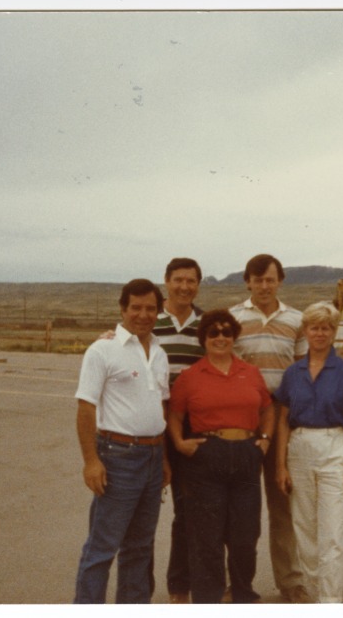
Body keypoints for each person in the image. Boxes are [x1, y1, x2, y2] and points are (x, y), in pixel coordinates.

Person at [73, 278, 171, 603]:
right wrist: (91, 461)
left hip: (153, 458)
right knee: (103, 547)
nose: (143, 315)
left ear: (159, 311)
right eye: (136, 307)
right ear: (123, 309)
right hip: (118, 458)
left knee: (140, 548)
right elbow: (86, 406)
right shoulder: (103, 349)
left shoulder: (159, 353)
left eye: (151, 308)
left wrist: (165, 459)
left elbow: (161, 408)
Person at [167, 309, 275, 603]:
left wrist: (264, 440)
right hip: (206, 458)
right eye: (213, 332)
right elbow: (175, 415)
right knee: (207, 537)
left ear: (234, 336)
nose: (220, 337)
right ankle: (208, 599)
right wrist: (179, 443)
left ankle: (242, 595)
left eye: (227, 332)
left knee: (245, 535)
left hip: (246, 455)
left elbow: (268, 409)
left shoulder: (250, 372)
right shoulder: (190, 377)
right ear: (203, 338)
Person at [229, 253, 312, 603]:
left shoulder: (296, 320)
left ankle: (291, 582)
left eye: (271, 279)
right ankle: (239, 584)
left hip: (281, 422)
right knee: (240, 510)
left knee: (283, 505)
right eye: (258, 279)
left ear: (280, 281)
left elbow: (305, 372)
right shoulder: (233, 318)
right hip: (242, 424)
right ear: (248, 281)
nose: (264, 286)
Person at [273, 302, 343, 603]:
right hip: (299, 449)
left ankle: (331, 601)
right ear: (306, 331)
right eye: (314, 327)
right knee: (305, 532)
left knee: (333, 532)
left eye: (326, 327)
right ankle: (316, 595)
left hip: (335, 448)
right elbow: (283, 421)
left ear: (333, 332)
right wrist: (281, 466)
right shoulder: (293, 372)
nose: (320, 333)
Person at [156, 257, 204, 604]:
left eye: (191, 281)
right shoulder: (147, 321)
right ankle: (136, 590)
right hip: (151, 423)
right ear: (166, 282)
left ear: (198, 285)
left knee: (188, 509)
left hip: (191, 425)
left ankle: (180, 588)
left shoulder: (206, 325)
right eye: (178, 280)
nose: (184, 287)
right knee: (143, 510)